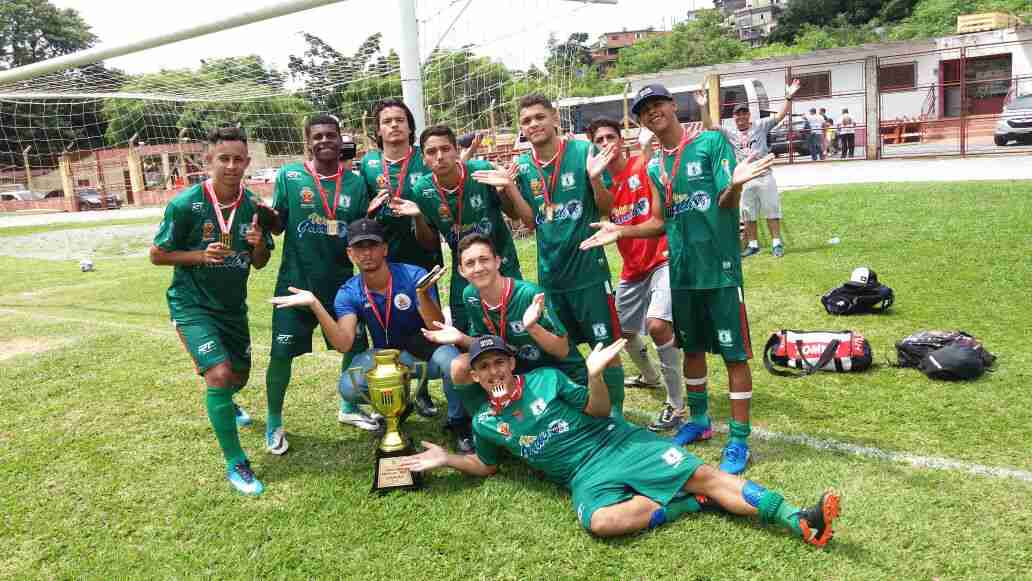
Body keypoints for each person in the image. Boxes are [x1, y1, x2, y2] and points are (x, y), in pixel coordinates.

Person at [399, 335, 841, 545]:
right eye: (485, 367)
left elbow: (595, 410)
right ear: (474, 377)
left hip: (616, 443)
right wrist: (446, 459)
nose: (494, 372)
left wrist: (594, 377)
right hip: (582, 476)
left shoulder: (547, 380)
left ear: (511, 365)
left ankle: (796, 518)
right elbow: (487, 465)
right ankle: (685, 505)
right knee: (600, 524)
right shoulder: (484, 425)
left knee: (706, 475)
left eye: (500, 363)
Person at [580, 83, 774, 475]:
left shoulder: (710, 145)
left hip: (718, 271)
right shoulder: (655, 166)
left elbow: (725, 202)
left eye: (658, 104)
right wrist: (623, 232)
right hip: (682, 272)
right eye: (644, 110)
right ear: (640, 120)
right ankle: (699, 421)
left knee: (734, 355)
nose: (653, 112)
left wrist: (735, 185)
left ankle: (738, 439)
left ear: (672, 106)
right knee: (693, 350)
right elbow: (658, 222)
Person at [269, 218, 473, 453]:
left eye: (373, 246)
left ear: (385, 249)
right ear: (350, 253)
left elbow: (436, 329)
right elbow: (344, 344)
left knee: (454, 364)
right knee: (349, 386)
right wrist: (316, 304)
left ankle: (459, 423)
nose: (367, 253)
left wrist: (422, 295)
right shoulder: (349, 291)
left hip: (425, 348)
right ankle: (397, 407)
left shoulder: (413, 275)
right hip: (385, 356)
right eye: (359, 248)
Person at [150, 126, 274, 495]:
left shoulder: (253, 207)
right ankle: (236, 462)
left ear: (248, 162)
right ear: (208, 161)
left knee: (237, 376)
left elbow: (262, 261)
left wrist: (255, 246)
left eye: (238, 159)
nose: (232, 166)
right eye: (224, 158)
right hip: (192, 304)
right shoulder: (185, 205)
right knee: (218, 375)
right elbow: (157, 254)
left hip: (232, 308)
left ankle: (228, 399)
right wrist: (199, 256)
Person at [263, 115, 378, 452]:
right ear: (307, 142)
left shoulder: (356, 184)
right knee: (281, 354)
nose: (325, 140)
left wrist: (372, 215)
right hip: (295, 283)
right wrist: (262, 216)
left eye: (331, 135)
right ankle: (274, 422)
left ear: (340, 139)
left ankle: (347, 406)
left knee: (355, 347)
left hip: (340, 284)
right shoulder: (289, 176)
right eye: (318, 136)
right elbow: (279, 224)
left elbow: (359, 233)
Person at [511, 93, 627, 417]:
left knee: (606, 348)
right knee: (562, 351)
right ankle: (581, 408)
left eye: (539, 117)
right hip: (551, 277)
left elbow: (607, 208)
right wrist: (508, 187)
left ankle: (614, 415)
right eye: (526, 121)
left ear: (554, 119)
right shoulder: (523, 167)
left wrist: (593, 179)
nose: (533, 124)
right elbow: (526, 220)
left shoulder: (582, 151)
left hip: (589, 274)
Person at [585, 117, 687, 432]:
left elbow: (660, 165)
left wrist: (647, 146)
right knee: (623, 333)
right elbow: (604, 209)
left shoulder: (642, 166)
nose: (605, 145)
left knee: (657, 325)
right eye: (599, 140)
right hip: (633, 268)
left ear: (622, 141)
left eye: (610, 137)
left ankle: (676, 403)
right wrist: (593, 179)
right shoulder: (602, 185)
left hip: (662, 260)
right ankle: (650, 376)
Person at [422, 233, 588, 415]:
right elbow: (489, 343)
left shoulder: (529, 295)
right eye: (470, 263)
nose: (478, 268)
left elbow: (562, 350)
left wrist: (532, 327)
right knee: (460, 366)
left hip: (558, 372)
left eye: (484, 260)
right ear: (461, 271)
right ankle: (488, 423)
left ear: (497, 262)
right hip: (514, 369)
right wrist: (461, 338)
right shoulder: (470, 296)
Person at [400, 124, 533, 334]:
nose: (439, 156)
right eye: (431, 152)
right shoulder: (421, 190)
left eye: (445, 149)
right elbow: (428, 242)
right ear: (424, 159)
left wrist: (504, 191)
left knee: (517, 323)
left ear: (456, 151)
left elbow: (514, 215)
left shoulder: (481, 172)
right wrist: (417, 217)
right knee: (464, 328)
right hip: (464, 269)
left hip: (501, 260)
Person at [697, 80, 799, 258]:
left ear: (749, 115)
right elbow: (708, 125)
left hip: (763, 174)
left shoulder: (761, 125)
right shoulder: (730, 132)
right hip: (745, 179)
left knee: (771, 209)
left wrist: (789, 96)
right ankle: (753, 245)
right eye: (738, 115)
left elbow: (781, 115)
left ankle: (776, 243)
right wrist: (703, 106)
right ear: (734, 118)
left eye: (744, 114)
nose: (741, 117)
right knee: (747, 213)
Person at [358, 98, 442, 274]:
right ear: (379, 131)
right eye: (387, 121)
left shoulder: (425, 157)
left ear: (410, 127)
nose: (394, 125)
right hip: (385, 252)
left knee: (424, 300)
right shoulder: (368, 162)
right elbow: (364, 209)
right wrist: (368, 211)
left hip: (423, 249)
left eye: (400, 120)